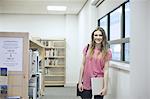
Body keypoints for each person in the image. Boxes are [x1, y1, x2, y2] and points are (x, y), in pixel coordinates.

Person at [78, 27, 112, 99]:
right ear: (93, 37)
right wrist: (80, 81)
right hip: (87, 80)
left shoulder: (107, 51)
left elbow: (106, 70)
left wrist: (105, 87)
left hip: (99, 81)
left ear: (103, 37)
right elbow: (82, 65)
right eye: (96, 35)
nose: (98, 37)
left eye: (100, 35)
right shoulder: (87, 48)